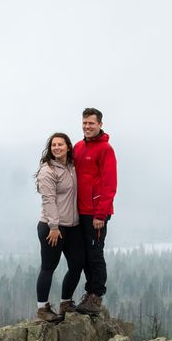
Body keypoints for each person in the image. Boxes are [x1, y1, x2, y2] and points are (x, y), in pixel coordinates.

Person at [70, 107, 116, 315]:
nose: (87, 126)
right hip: (79, 211)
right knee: (85, 255)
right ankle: (89, 293)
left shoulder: (106, 150)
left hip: (96, 213)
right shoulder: (78, 147)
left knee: (95, 254)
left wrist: (100, 215)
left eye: (91, 123)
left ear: (100, 124)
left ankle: (96, 295)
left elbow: (109, 183)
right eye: (85, 122)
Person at [34, 132, 84, 323]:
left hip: (72, 226)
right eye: (53, 145)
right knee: (48, 267)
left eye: (60, 145)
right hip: (51, 227)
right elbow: (49, 200)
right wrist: (54, 226)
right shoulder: (48, 171)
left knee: (77, 264)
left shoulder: (71, 166)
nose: (56, 148)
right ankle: (42, 309)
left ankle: (65, 302)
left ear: (68, 147)